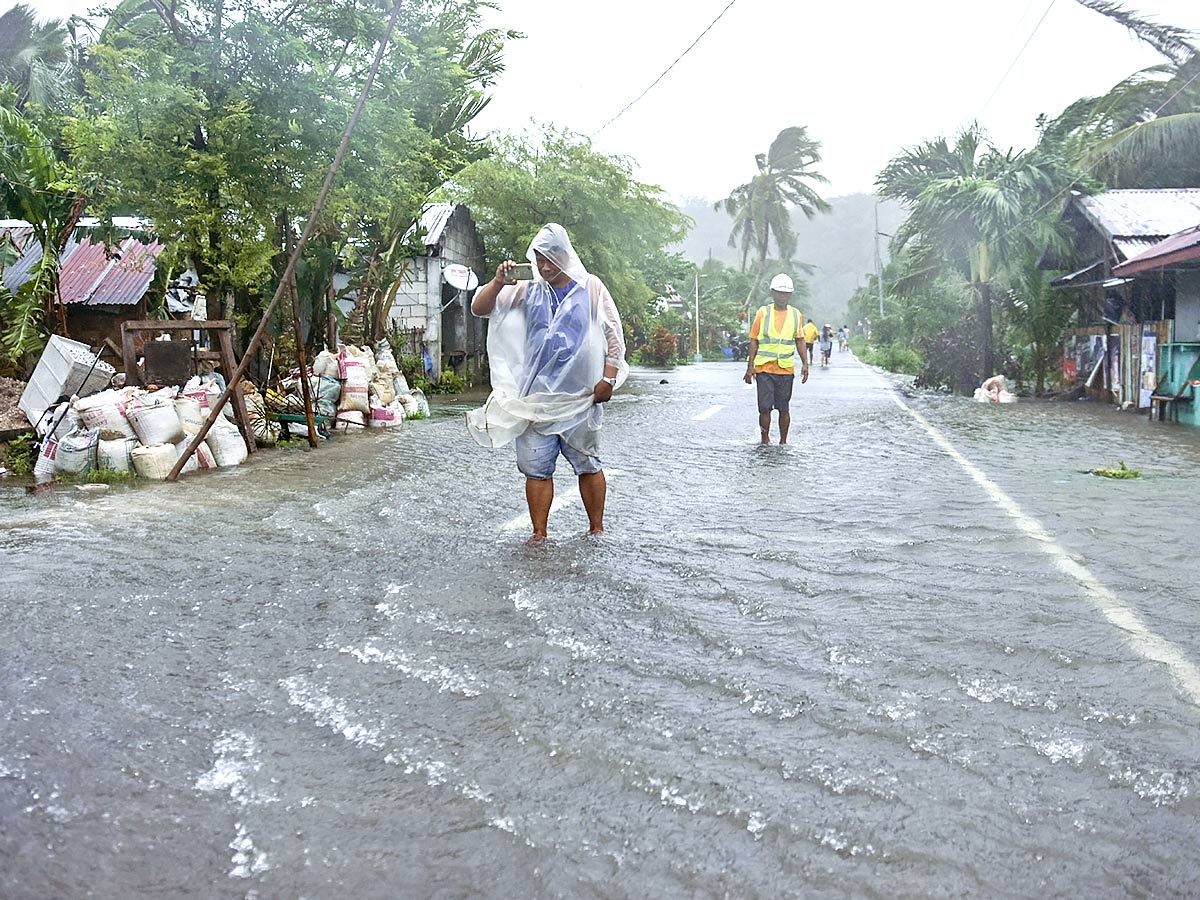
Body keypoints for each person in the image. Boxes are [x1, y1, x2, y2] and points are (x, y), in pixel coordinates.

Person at [468, 224, 627, 540]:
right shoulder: (529, 290)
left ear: (566, 256)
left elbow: (613, 335)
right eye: (539, 259)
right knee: (536, 470)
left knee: (589, 464)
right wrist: (499, 281)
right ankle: (539, 534)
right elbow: (479, 308)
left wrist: (608, 378)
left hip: (581, 398)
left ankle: (597, 529)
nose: (544, 267)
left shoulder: (591, 288)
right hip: (536, 399)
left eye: (550, 259)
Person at [743, 273, 809, 444]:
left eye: (785, 293)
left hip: (786, 369)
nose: (782, 296)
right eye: (779, 292)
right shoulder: (762, 313)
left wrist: (805, 363)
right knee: (765, 408)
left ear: (790, 295)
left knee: (783, 407)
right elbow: (754, 341)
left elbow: (800, 340)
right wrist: (750, 367)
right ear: (772, 293)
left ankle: (783, 442)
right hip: (764, 369)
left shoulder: (796, 315)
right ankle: (765, 440)